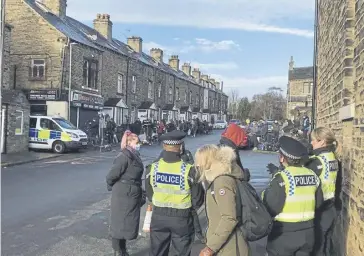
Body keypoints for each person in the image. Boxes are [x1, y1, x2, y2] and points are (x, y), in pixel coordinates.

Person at [145, 130, 204, 256]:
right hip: (182, 218)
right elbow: (198, 199)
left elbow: (149, 194)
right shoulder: (189, 171)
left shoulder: (152, 168)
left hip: (159, 216)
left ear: (164, 146)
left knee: (157, 252)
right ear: (180, 147)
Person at [262, 136, 323, 256]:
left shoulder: (283, 178)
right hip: (308, 232)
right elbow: (319, 203)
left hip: (284, 234)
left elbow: (271, 206)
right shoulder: (312, 175)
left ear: (282, 158)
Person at [196, 145, 250, 256]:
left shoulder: (222, 182)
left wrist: (210, 248)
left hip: (229, 246)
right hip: (225, 244)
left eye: (199, 161)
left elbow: (229, 218)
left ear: (208, 161)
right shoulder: (220, 178)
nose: (197, 165)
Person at [106, 131, 145, 256]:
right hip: (123, 192)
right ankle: (118, 250)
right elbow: (112, 175)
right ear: (129, 142)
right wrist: (112, 186)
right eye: (136, 142)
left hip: (130, 192)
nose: (138, 145)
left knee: (126, 222)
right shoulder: (123, 156)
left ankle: (122, 249)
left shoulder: (133, 154)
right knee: (119, 222)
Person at [306, 127, 342, 256]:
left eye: (314, 141)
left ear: (322, 142)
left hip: (319, 209)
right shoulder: (333, 158)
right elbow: (338, 183)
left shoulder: (317, 161)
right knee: (326, 245)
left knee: (318, 248)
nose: (311, 143)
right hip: (331, 207)